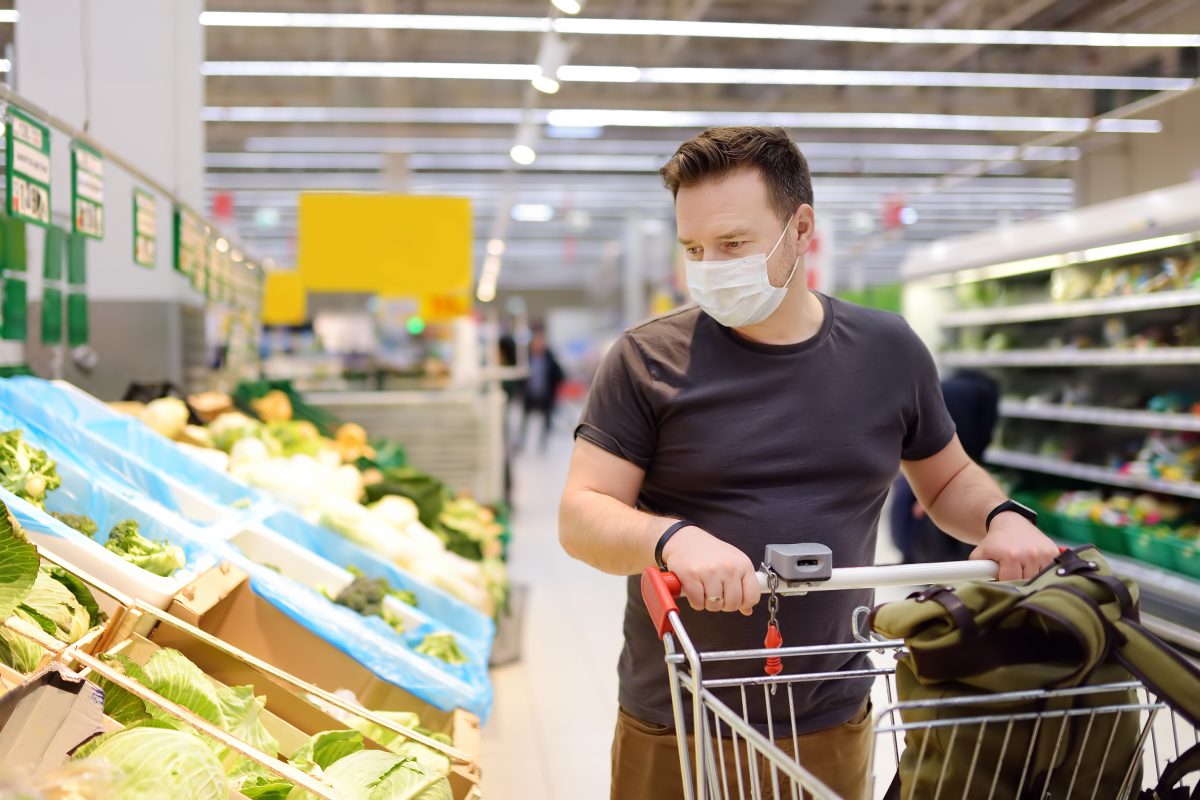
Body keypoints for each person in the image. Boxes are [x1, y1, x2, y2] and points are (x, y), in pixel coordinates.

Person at [557, 126, 1059, 799]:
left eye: (732, 244)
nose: (710, 265)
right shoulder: (647, 359)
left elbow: (948, 479)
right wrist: (671, 539)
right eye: (694, 249)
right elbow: (581, 514)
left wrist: (1002, 517)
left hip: (829, 708)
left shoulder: (888, 351)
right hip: (678, 711)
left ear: (801, 229)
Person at [890, 369, 1001, 563]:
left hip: (921, 448)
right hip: (957, 450)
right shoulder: (986, 394)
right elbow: (983, 434)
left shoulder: (944, 386)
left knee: (913, 499)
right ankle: (937, 559)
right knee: (939, 505)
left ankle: (911, 555)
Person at [520, 329, 564, 452]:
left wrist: (554, 389)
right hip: (530, 396)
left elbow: (559, 375)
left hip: (545, 396)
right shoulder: (527, 359)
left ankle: (542, 446)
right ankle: (522, 445)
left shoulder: (549, 359)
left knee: (546, 423)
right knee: (525, 421)